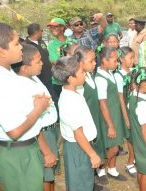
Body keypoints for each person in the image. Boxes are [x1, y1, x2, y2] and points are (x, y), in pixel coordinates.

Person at [0, 22, 56, 191]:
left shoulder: (8, 77)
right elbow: (14, 131)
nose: (21, 47)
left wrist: (33, 105)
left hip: (24, 149)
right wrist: (39, 108)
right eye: (16, 44)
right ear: (1, 52)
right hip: (17, 154)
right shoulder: (1, 83)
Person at [12, 43, 59, 191]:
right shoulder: (21, 86)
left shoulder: (33, 77)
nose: (42, 63)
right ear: (25, 67)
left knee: (50, 174)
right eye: (38, 61)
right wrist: (46, 151)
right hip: (42, 135)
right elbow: (32, 123)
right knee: (45, 173)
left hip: (49, 131)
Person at [52, 55, 101, 191]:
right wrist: (93, 154)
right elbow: (78, 133)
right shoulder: (70, 101)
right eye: (81, 72)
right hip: (79, 148)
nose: (85, 73)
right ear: (70, 78)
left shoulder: (74, 92)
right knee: (80, 184)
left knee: (84, 181)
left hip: (81, 146)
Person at [74, 46, 109, 191]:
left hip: (95, 120)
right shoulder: (78, 84)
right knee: (86, 154)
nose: (95, 62)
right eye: (91, 60)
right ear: (80, 62)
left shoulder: (89, 75)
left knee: (95, 150)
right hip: (85, 125)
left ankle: (91, 181)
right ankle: (87, 184)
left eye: (95, 59)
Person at [95, 46, 127, 184]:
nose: (117, 62)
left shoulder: (110, 73)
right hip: (108, 118)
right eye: (114, 60)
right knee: (112, 147)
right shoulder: (101, 78)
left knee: (116, 143)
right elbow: (102, 103)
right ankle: (100, 169)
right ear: (104, 60)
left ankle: (112, 169)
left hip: (115, 114)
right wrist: (110, 126)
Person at [114, 46, 137, 177]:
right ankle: (130, 163)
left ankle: (133, 160)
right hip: (126, 110)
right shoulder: (118, 75)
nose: (133, 60)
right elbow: (121, 98)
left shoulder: (133, 71)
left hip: (134, 109)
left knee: (135, 137)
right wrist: (126, 117)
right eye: (130, 58)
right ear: (121, 59)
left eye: (134, 58)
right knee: (131, 138)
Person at [25, 23, 58, 105]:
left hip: (50, 76)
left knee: (55, 99)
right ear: (36, 31)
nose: (42, 32)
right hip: (40, 79)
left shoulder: (41, 41)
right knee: (52, 101)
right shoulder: (26, 46)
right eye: (41, 30)